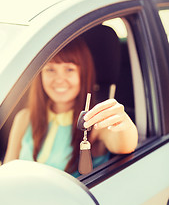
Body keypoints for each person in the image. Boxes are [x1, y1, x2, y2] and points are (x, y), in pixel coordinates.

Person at [3, 36, 138, 177]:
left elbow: (126, 145)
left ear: (83, 73)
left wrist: (124, 124)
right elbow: (7, 171)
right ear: (40, 75)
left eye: (69, 69)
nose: (59, 80)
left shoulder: (95, 120)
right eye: (50, 70)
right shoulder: (24, 118)